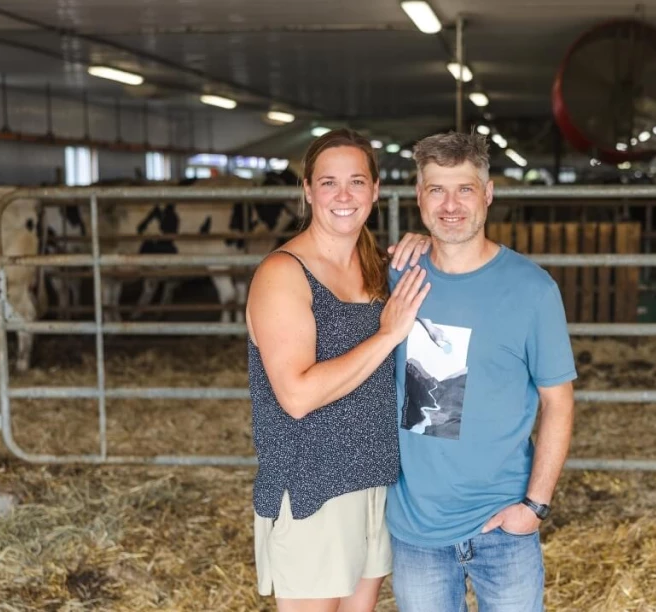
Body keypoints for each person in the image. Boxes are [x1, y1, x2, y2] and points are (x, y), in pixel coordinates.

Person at [386, 130, 577, 611]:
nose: (451, 205)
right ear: (419, 196)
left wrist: (535, 506)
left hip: (503, 526)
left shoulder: (532, 290)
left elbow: (558, 402)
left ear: (488, 194)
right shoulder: (395, 274)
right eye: (436, 189)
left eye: (465, 189)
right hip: (417, 530)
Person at [245, 128, 430, 612]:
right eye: (329, 183)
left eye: (356, 182)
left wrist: (426, 242)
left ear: (375, 190)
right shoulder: (283, 273)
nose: (343, 196)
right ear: (308, 191)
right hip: (314, 487)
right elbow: (296, 396)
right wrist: (386, 334)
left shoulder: (378, 265)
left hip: (374, 480)